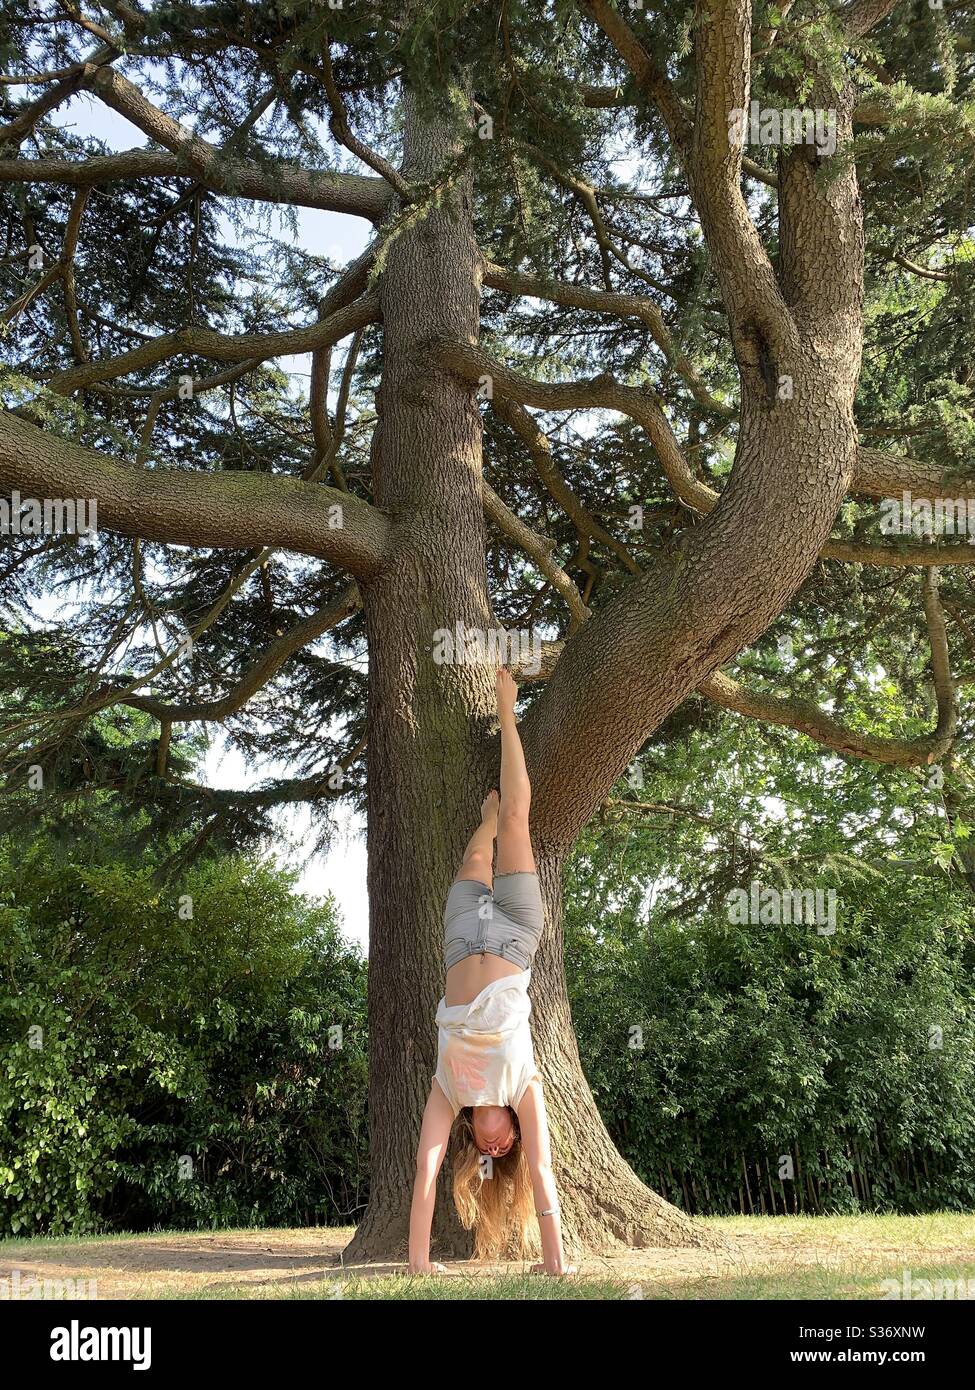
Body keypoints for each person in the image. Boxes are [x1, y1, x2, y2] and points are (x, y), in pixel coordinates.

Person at [407, 667, 575, 1275]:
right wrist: (554, 1263)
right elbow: (543, 1169)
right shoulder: (523, 1086)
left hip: (458, 942)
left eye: (488, 1151)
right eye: (506, 1148)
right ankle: (509, 710)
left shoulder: (448, 1092)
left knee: (481, 844)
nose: (496, 1147)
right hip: (515, 934)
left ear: (474, 1140)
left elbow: (426, 1168)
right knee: (515, 828)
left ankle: (484, 812)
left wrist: (418, 1264)